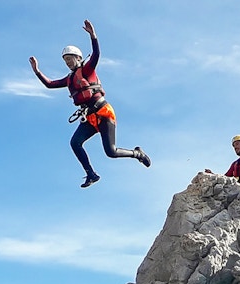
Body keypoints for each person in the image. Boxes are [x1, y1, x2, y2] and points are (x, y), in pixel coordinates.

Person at [29, 20, 151, 188]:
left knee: (111, 152)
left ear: (78, 58)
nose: (68, 63)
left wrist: (93, 36)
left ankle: (137, 153)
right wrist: (37, 71)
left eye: (70, 59)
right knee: (75, 143)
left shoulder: (87, 70)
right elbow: (50, 84)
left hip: (103, 112)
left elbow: (96, 54)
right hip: (90, 117)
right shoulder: (70, 79)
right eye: (65, 61)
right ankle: (91, 174)